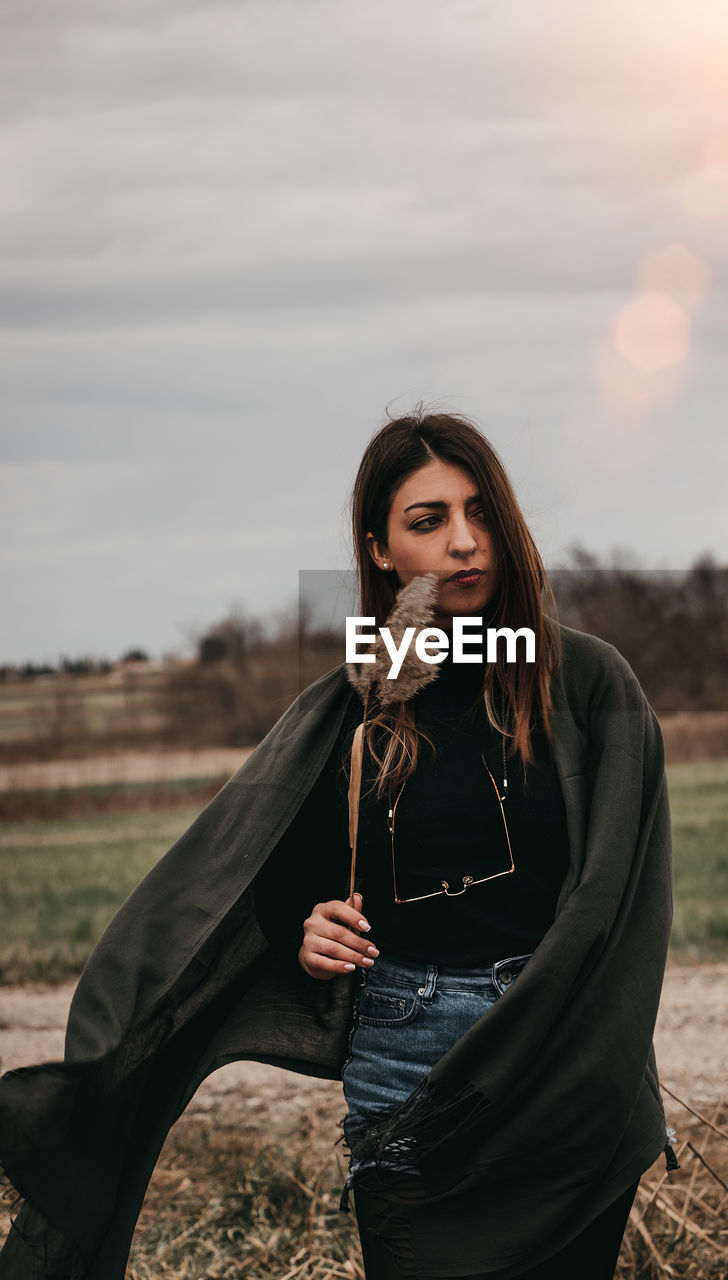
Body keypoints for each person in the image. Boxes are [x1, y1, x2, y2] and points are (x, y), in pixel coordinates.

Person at [0, 410, 676, 1280]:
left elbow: (622, 900)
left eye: (480, 513)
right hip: (408, 1062)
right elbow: (266, 879)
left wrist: (587, 1053)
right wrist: (306, 931)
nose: (465, 543)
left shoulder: (585, 682)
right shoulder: (354, 708)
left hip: (566, 1058)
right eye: (427, 521)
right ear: (381, 550)